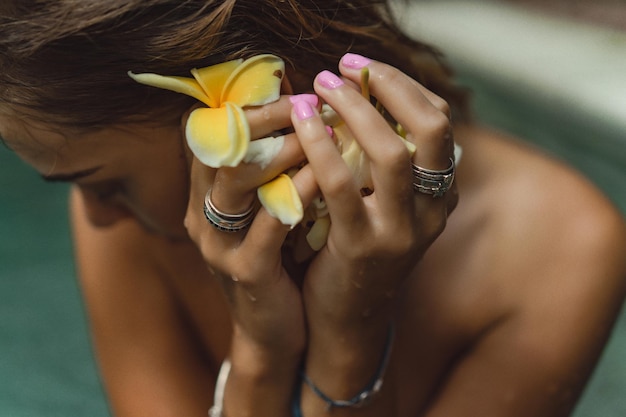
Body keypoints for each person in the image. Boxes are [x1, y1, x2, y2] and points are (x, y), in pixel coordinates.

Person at [1, 1, 625, 416]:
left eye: (103, 183)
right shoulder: (126, 219)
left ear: (270, 94)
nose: (97, 215)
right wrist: (261, 353)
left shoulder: (561, 250)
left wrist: (351, 336)